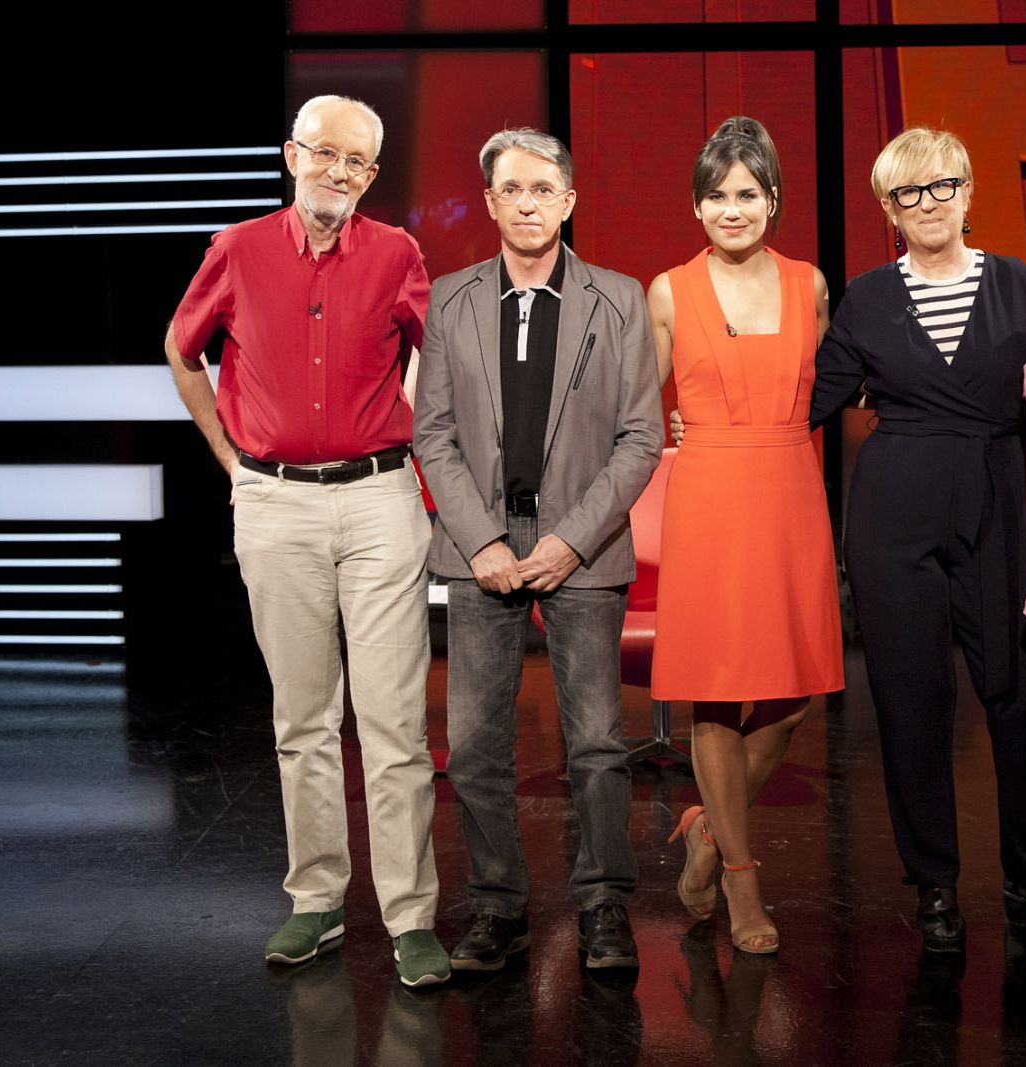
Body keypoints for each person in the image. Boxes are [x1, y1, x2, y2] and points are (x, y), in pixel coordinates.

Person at [164, 95, 449, 986]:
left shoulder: (398, 252)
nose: (339, 172)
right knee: (303, 719)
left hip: (379, 500)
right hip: (276, 503)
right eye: (324, 153)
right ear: (291, 154)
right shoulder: (238, 248)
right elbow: (182, 348)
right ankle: (318, 900)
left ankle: (410, 916)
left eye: (358, 162)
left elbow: (437, 359)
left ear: (371, 174)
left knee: (395, 723)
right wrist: (230, 459)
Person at [807, 127, 1026, 953]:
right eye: (908, 193)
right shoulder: (865, 298)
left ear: (969, 193)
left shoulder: (1025, 288)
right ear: (889, 210)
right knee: (910, 699)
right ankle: (933, 881)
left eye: (942, 187)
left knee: (1025, 695)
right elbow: (812, 400)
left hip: (999, 497)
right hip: (894, 510)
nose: (927, 204)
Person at [412, 128, 661, 971]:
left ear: (569, 200)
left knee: (593, 741)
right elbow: (432, 433)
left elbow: (639, 438)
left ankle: (601, 907)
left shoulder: (619, 298)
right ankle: (497, 904)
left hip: (581, 542)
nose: (527, 203)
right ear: (489, 202)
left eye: (542, 189)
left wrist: (569, 538)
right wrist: (477, 537)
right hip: (478, 542)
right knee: (477, 745)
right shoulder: (450, 298)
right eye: (510, 189)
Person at [647, 117, 844, 955]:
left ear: (774, 201)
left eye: (749, 194)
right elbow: (635, 407)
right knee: (716, 692)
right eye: (718, 195)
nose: (734, 209)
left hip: (789, 490)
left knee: (792, 699)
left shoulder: (812, 286)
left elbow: (827, 389)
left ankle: (703, 831)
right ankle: (739, 875)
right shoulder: (667, 289)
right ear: (697, 205)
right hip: (708, 496)